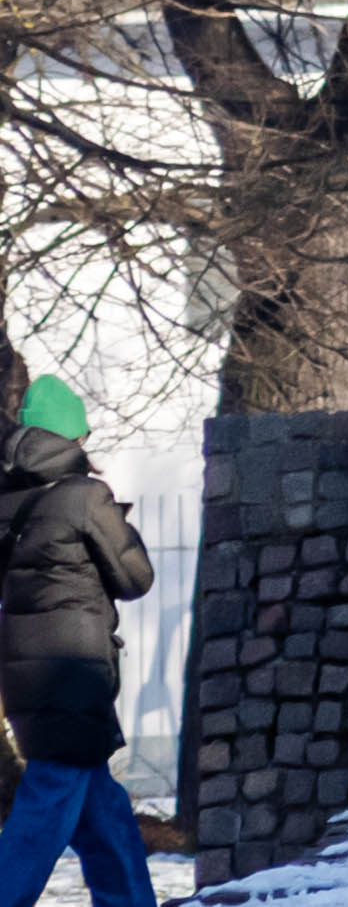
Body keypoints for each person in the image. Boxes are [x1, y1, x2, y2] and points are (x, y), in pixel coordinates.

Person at [0, 365, 157, 907]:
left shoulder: (7, 502)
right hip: (74, 669)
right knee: (48, 801)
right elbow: (136, 577)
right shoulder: (86, 496)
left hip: (24, 672)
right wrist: (116, 519)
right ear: (75, 437)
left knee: (100, 805)